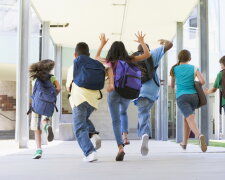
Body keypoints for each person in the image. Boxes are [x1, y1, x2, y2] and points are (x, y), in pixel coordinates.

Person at [96, 32, 150, 161]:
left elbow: (97, 56)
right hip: (127, 91)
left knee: (116, 121)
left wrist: (102, 43)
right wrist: (142, 42)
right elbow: (147, 55)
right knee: (123, 112)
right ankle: (125, 134)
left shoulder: (111, 61)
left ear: (112, 51)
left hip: (114, 91)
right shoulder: (130, 59)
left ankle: (120, 147)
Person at [66, 42, 104, 162]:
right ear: (89, 54)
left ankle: (90, 153)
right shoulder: (95, 65)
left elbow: (68, 87)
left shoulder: (74, 66)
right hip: (93, 101)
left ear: (75, 55)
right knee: (84, 120)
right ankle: (93, 134)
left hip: (79, 99)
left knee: (79, 127)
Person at [134, 39, 173, 156]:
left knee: (142, 113)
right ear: (147, 49)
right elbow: (170, 45)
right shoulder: (153, 54)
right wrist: (163, 41)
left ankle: (144, 134)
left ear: (137, 50)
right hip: (153, 90)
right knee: (145, 113)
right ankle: (143, 134)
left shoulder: (133, 58)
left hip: (139, 90)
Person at [170, 49, 207, 152]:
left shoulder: (175, 69)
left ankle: (199, 136)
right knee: (187, 118)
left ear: (179, 58)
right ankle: (184, 143)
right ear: (189, 58)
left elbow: (172, 86)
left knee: (190, 118)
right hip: (194, 97)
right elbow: (202, 81)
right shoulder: (194, 68)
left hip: (182, 97)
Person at [29, 60, 61, 159]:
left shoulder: (35, 78)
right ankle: (47, 126)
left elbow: (35, 92)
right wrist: (51, 97)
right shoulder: (52, 77)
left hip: (36, 105)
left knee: (37, 129)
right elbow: (59, 88)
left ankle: (38, 150)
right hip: (48, 104)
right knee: (45, 120)